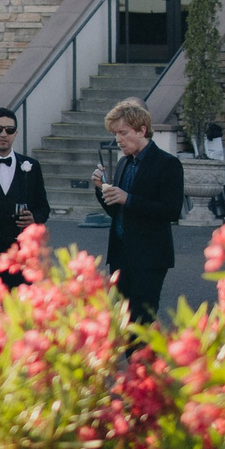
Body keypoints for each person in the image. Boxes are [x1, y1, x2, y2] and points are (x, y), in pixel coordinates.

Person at [91, 98, 184, 328]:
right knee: (121, 321)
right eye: (116, 134)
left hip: (149, 257)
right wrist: (101, 190)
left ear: (142, 130)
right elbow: (117, 212)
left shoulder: (167, 163)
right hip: (120, 254)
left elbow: (172, 210)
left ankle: (144, 354)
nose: (118, 139)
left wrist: (128, 199)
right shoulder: (124, 163)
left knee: (141, 321)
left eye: (123, 133)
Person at [0, 105, 50, 287]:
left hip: (21, 252)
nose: (3, 134)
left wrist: (34, 219)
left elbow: (43, 207)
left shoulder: (31, 166)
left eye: (9, 130)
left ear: (15, 134)